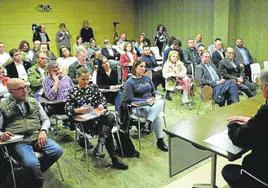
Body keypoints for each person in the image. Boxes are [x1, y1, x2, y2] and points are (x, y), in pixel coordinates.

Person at [0, 78, 63, 188]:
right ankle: (36, 181)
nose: (25, 91)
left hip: (38, 136)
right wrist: (2, 135)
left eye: (26, 87)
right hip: (19, 141)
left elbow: (45, 119)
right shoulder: (3, 106)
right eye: (20, 88)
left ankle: (33, 174)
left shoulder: (33, 101)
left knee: (57, 150)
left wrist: (43, 131)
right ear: (10, 91)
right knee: (31, 164)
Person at [65, 67, 128, 170]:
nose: (86, 82)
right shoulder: (72, 92)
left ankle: (100, 144)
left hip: (97, 118)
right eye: (83, 79)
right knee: (107, 128)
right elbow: (67, 109)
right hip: (85, 123)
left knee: (110, 117)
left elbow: (103, 100)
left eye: (87, 79)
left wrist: (101, 106)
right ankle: (112, 158)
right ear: (77, 78)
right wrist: (78, 110)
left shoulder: (93, 87)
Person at [222, 70, 268, 187]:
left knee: (228, 170)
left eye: (260, 87)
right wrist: (251, 121)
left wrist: (232, 124)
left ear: (266, 87)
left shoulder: (265, 112)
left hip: (262, 175)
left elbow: (240, 138)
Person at [124, 60, 168, 152]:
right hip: (139, 106)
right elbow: (130, 99)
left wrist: (156, 96)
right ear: (135, 68)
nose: (143, 69)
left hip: (152, 104)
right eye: (140, 66)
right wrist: (145, 101)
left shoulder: (147, 78)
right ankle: (160, 141)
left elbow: (153, 90)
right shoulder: (129, 82)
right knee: (158, 116)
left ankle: (148, 122)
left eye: (144, 67)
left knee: (161, 101)